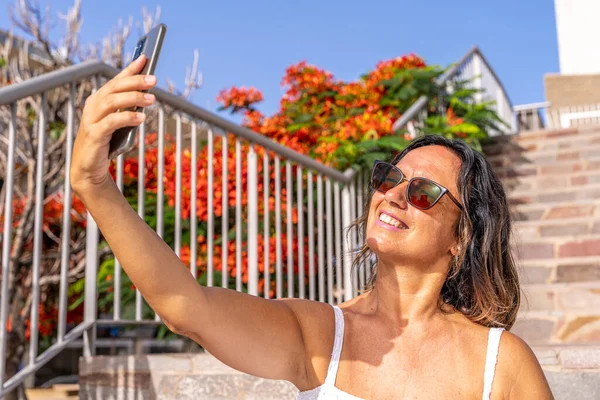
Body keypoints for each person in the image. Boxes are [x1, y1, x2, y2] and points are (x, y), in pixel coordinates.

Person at [70, 55, 554, 399]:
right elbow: (186, 308)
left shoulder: (502, 364)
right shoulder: (320, 334)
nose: (395, 194)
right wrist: (94, 184)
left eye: (425, 192)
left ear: (460, 237)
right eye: (389, 177)